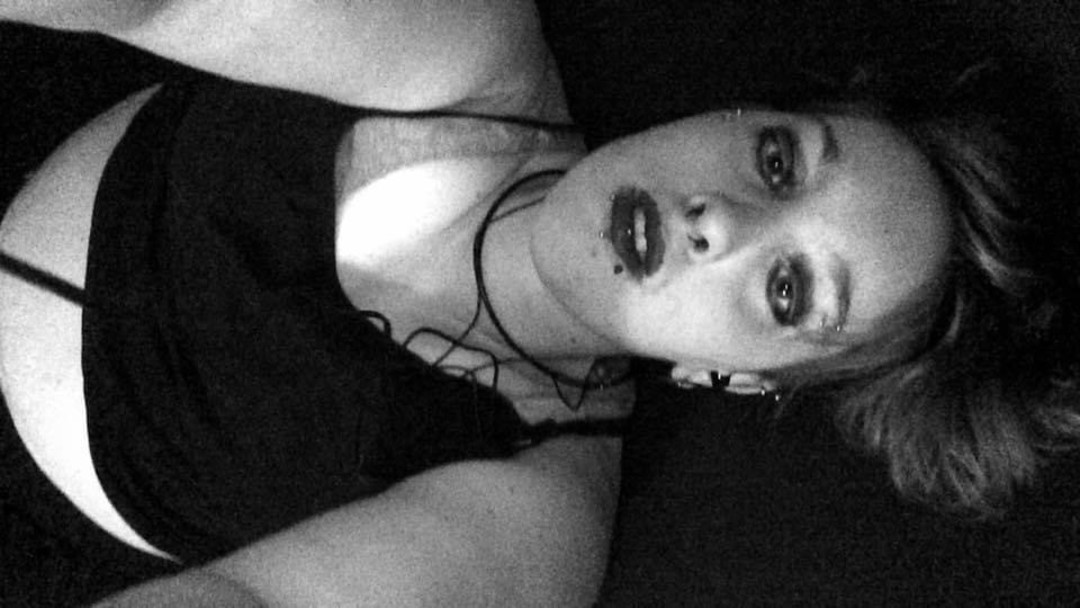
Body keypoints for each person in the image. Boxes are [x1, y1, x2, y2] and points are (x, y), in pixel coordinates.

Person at [0, 1, 1077, 606]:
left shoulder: (539, 514)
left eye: (789, 288)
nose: (723, 220)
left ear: (740, 377)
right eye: (779, 161)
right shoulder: (474, 46)